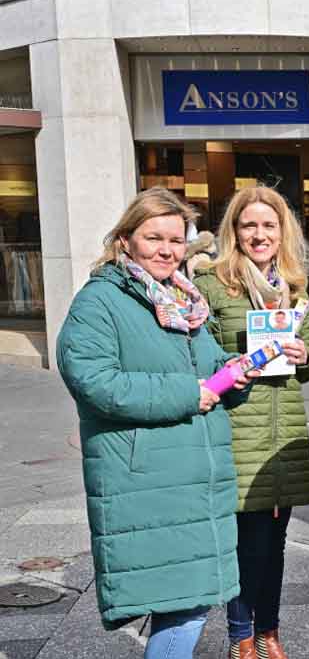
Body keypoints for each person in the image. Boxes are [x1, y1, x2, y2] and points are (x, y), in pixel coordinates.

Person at [56, 188, 257, 659]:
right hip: (146, 479)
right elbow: (93, 380)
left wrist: (236, 371)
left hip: (191, 480)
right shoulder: (100, 300)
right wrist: (191, 394)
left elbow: (204, 367)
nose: (167, 249)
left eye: (177, 239)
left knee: (186, 602)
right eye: (154, 238)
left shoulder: (180, 299)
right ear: (125, 240)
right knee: (184, 605)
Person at [193, 186, 309, 659]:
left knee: (276, 543)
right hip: (237, 428)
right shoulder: (212, 285)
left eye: (269, 225)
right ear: (235, 231)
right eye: (249, 225)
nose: (259, 234)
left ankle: (269, 634)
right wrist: (232, 365)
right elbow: (199, 359)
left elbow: (308, 370)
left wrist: (305, 354)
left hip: (282, 432)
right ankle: (241, 638)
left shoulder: (295, 287)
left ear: (282, 231)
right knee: (246, 544)